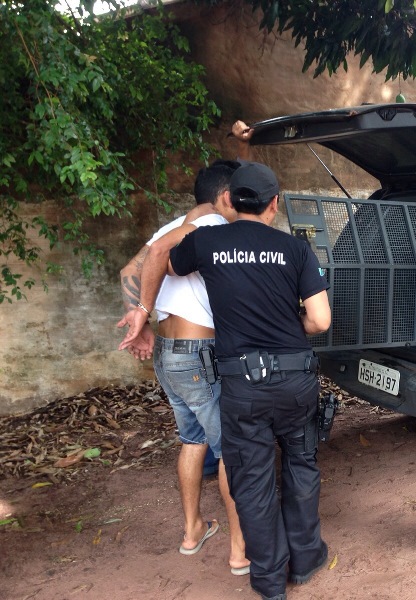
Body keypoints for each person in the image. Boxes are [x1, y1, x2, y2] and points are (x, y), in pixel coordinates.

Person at [123, 160, 331, 600]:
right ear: (275, 204)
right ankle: (307, 558)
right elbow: (320, 320)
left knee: (251, 477)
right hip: (296, 380)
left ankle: (270, 580)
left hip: (244, 385)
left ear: (231, 201)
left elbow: (163, 259)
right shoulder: (295, 249)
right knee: (301, 464)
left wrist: (143, 311)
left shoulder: (208, 241)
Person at [118, 159, 250, 575]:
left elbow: (129, 270)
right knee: (232, 448)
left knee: (193, 440)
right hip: (200, 352)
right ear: (226, 198)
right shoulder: (209, 228)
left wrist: (140, 320)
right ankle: (239, 549)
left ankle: (193, 530)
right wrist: (141, 314)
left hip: (168, 351)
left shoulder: (170, 226)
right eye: (239, 199)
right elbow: (160, 256)